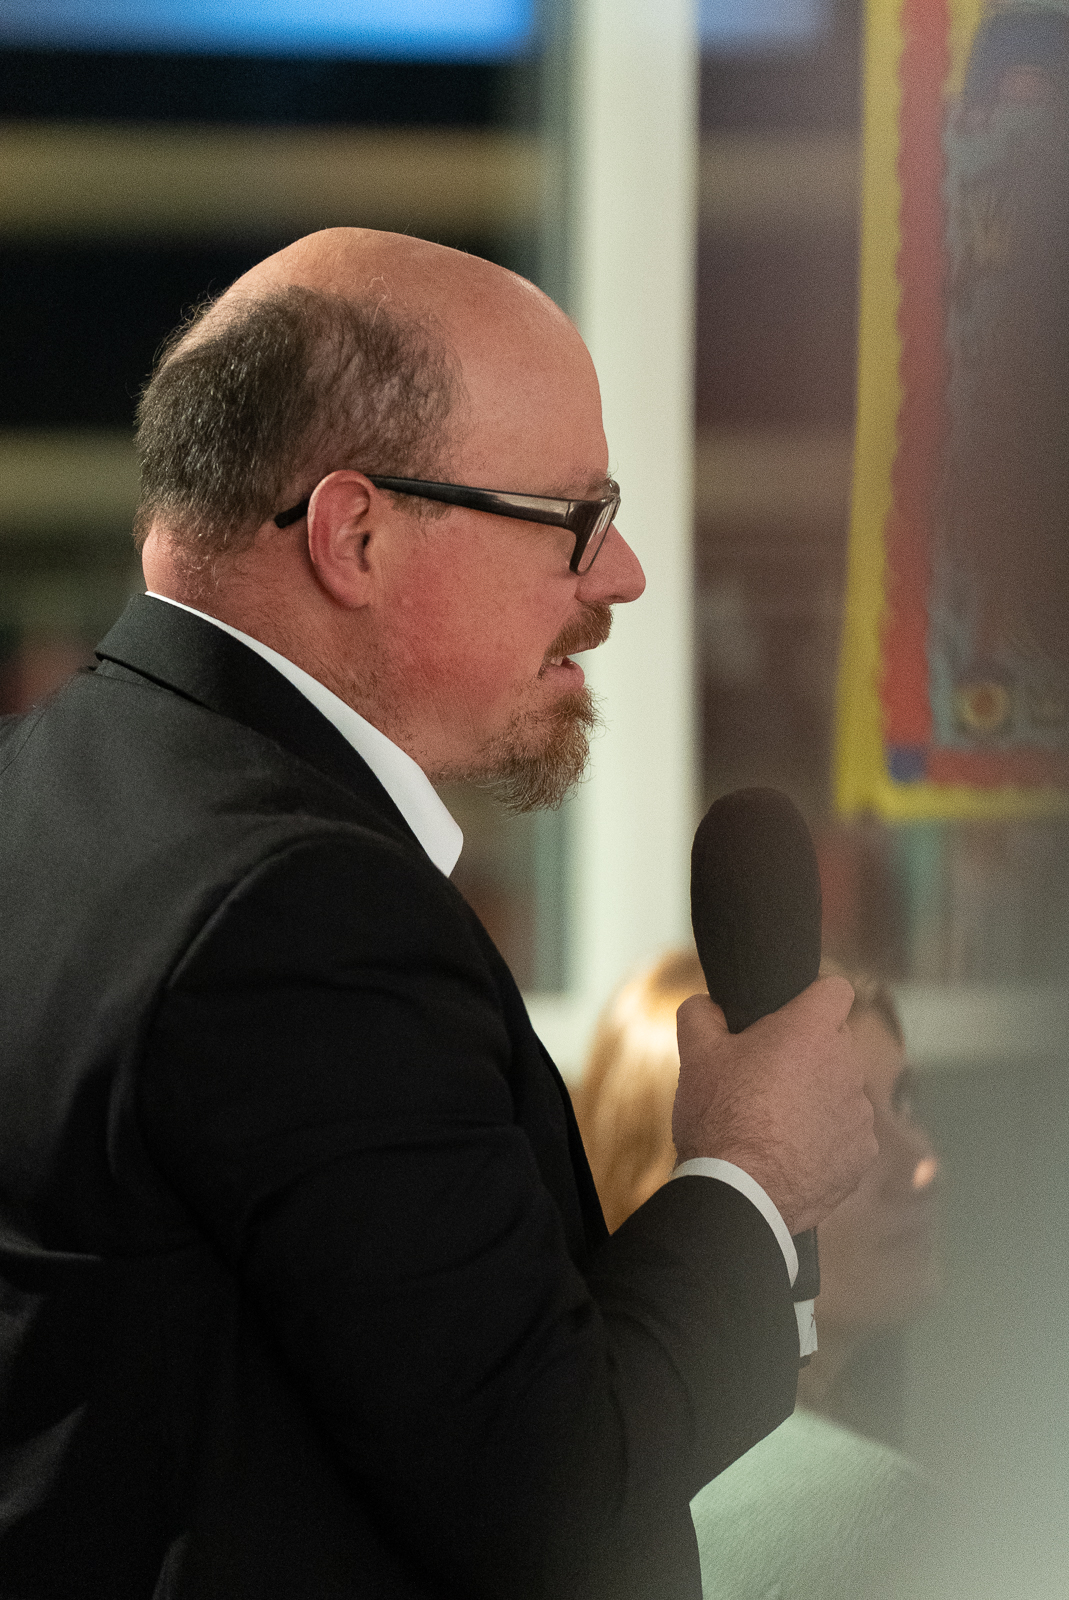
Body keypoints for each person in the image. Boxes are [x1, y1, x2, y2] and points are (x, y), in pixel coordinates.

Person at [0, 228, 875, 1600]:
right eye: (574, 517)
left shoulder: (52, 785)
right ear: (353, 534)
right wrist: (755, 1170)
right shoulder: (296, 913)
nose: (623, 575)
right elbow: (557, 1497)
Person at [574, 949, 941, 1600]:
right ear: (684, 1183)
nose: (922, 1164)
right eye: (838, 1118)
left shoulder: (605, 1470)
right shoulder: (863, 1512)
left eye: (903, 1103)